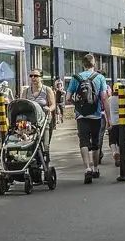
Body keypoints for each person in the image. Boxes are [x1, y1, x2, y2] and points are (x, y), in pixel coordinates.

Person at [67, 53, 110, 184]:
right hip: (96, 115)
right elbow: (104, 98)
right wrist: (109, 118)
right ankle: (96, 168)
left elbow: (68, 98)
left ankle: (87, 169)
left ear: (83, 64)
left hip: (81, 116)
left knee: (84, 142)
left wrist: (77, 105)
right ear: (94, 63)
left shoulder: (76, 78)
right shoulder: (100, 77)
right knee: (95, 143)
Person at [21, 69, 57, 151]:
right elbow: (22, 104)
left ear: (41, 78)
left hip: (44, 119)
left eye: (36, 76)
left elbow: (53, 105)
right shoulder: (26, 91)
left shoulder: (47, 90)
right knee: (30, 142)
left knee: (45, 144)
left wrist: (49, 108)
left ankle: (45, 156)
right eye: (31, 76)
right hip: (31, 120)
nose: (33, 78)